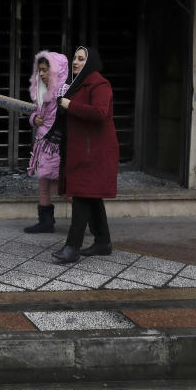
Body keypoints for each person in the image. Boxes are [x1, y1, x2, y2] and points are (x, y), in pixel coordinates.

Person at [52, 46, 119, 264]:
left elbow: (100, 113)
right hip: (83, 151)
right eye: (75, 58)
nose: (76, 62)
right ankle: (103, 242)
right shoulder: (76, 85)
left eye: (81, 59)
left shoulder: (99, 84)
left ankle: (72, 247)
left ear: (90, 62)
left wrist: (69, 104)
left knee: (82, 196)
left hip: (94, 153)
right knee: (91, 196)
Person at [23, 50, 69, 234]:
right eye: (39, 70)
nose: (41, 74)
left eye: (45, 70)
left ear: (57, 71)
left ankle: (89, 215)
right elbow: (35, 112)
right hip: (44, 144)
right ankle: (45, 222)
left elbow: (68, 120)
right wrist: (34, 120)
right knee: (43, 183)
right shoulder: (41, 91)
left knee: (59, 186)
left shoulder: (64, 93)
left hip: (56, 146)